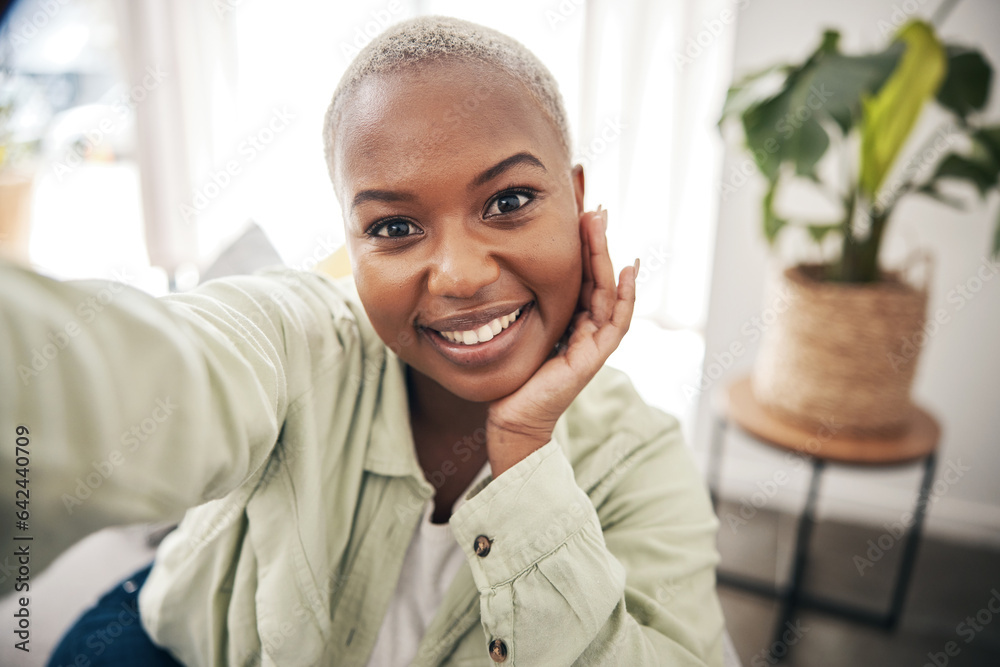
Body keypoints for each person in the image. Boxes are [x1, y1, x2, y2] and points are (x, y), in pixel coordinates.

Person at [2, 15, 724, 666]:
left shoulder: (641, 459)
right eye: (394, 227)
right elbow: (134, 374)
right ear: (351, 243)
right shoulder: (306, 337)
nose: (462, 275)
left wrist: (527, 450)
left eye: (508, 202)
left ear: (576, 200)